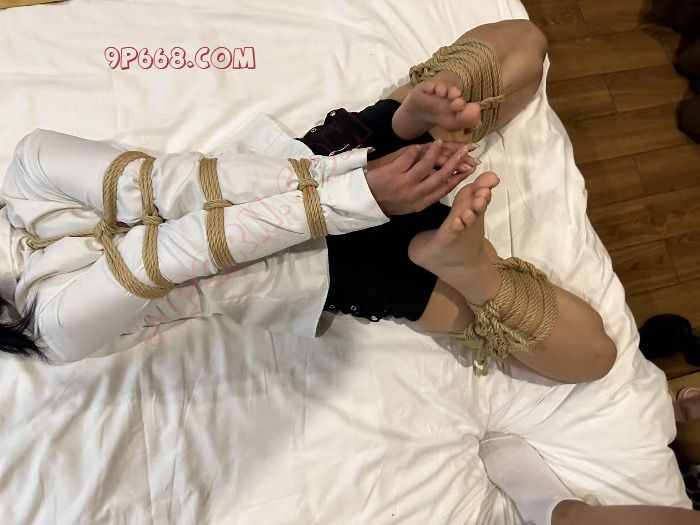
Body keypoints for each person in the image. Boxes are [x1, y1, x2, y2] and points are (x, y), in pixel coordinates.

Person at [0, 19, 614, 387]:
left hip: (303, 171)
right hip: (317, 269)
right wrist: (362, 194)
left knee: (525, 45)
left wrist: (391, 137)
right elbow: (180, 251)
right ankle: (466, 264)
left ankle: (428, 127)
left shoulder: (27, 166)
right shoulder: (49, 325)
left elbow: (175, 185)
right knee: (591, 354)